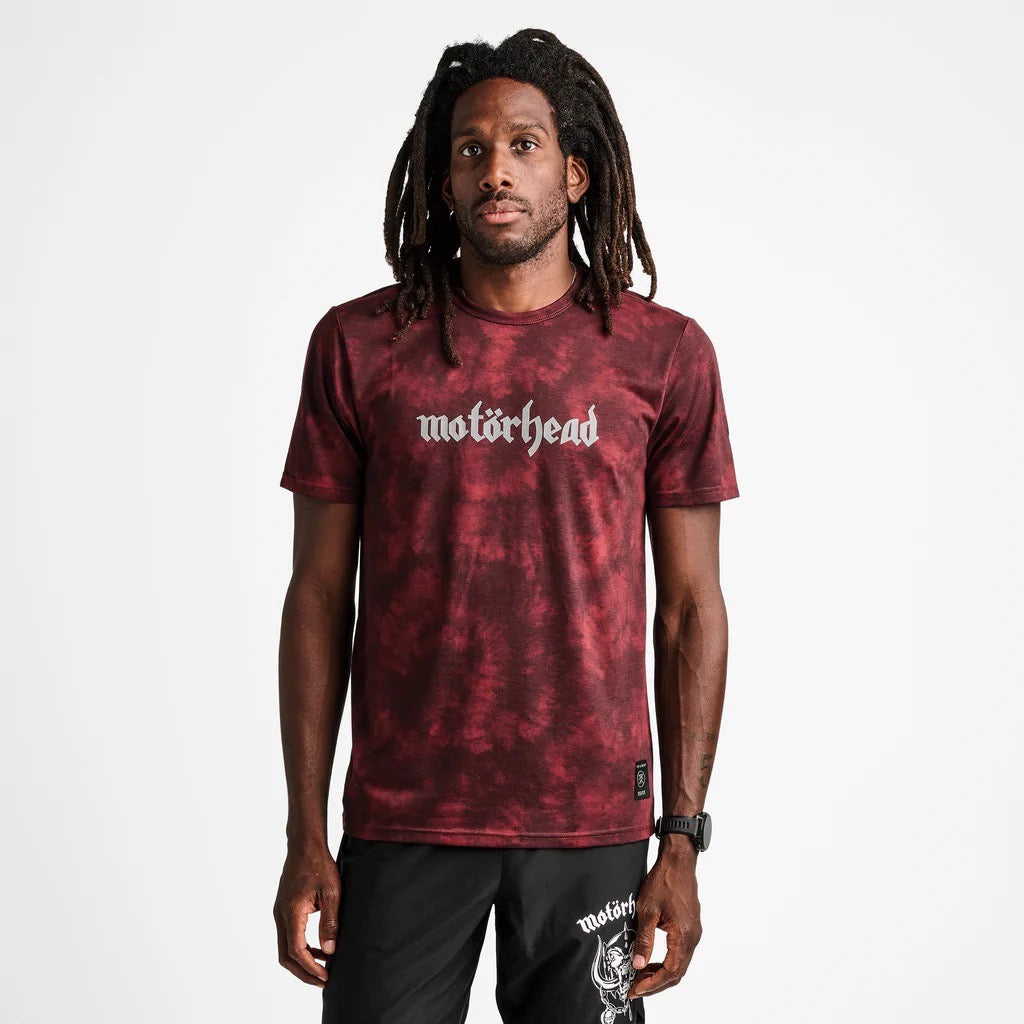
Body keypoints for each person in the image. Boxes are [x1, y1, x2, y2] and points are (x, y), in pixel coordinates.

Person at [272, 27, 740, 1024]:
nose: (496, 169)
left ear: (575, 172)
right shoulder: (360, 346)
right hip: (403, 817)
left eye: (524, 144)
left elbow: (690, 609)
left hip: (591, 825)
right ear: (442, 180)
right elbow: (317, 595)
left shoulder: (662, 356)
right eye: (470, 149)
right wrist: (305, 830)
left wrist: (682, 838)